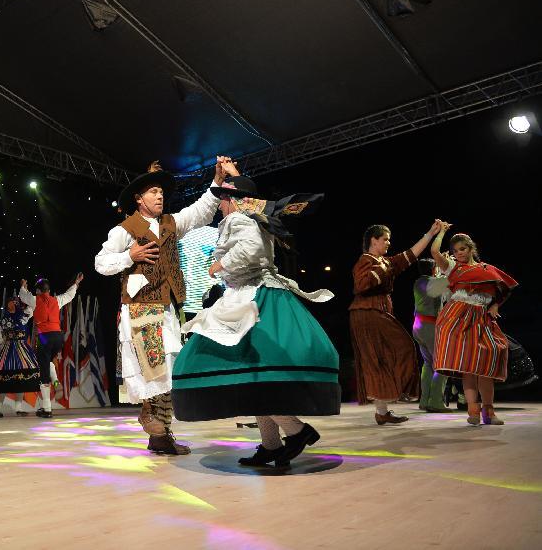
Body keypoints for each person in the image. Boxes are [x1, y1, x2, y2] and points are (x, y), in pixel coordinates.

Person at [173, 162, 338, 467]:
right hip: (253, 294)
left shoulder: (241, 219)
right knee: (255, 377)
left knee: (250, 373)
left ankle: (296, 430)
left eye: (223, 197)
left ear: (232, 200)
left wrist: (218, 266)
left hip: (254, 298)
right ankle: (271, 445)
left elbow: (251, 252)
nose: (220, 204)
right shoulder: (250, 217)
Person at [94, 157, 229, 455]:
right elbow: (101, 263)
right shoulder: (125, 229)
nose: (160, 196)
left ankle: (161, 435)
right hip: (141, 309)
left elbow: (202, 212)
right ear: (138, 199)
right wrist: (130, 256)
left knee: (168, 371)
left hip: (167, 308)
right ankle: (154, 424)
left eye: (161, 192)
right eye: (153, 192)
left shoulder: (171, 223)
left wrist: (217, 182)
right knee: (153, 371)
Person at [349, 221, 444, 425]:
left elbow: (410, 254)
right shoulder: (366, 260)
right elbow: (361, 285)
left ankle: (382, 412)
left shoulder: (385, 261)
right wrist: (384, 269)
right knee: (399, 349)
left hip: (378, 311)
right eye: (385, 239)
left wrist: (430, 234)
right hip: (368, 312)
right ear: (373, 240)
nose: (388, 243)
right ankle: (399, 391)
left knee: (382, 359)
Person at [431, 227, 517, 425]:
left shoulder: (487, 269)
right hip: (457, 318)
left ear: (471, 249)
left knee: (485, 366)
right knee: (468, 367)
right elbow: (435, 252)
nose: (458, 253)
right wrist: (441, 232)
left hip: (481, 318)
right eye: (455, 251)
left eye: (462, 249)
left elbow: (504, 289)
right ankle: (473, 412)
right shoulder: (454, 268)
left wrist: (495, 305)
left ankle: (489, 412)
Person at [18, 274, 82, 418]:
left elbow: (23, 296)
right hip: (58, 337)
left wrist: (23, 285)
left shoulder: (35, 300)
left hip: (45, 337)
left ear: (39, 291)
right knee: (48, 361)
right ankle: (55, 380)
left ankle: (47, 408)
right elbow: (69, 295)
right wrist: (76, 283)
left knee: (43, 371)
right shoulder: (56, 300)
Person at [0, 297, 39, 417]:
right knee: (3, 379)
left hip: (21, 350)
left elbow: (33, 305)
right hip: (7, 351)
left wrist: (24, 292)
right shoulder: (3, 320)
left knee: (21, 379)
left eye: (14, 302)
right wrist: (3, 340)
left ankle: (18, 409)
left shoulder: (24, 315)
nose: (11, 303)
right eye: (10, 301)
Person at [412, 258, 451, 413]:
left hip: (418, 326)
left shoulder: (418, 282)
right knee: (441, 365)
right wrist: (446, 264)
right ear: (433, 269)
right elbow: (451, 279)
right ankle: (435, 401)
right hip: (429, 326)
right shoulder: (433, 282)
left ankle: (424, 401)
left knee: (428, 364)